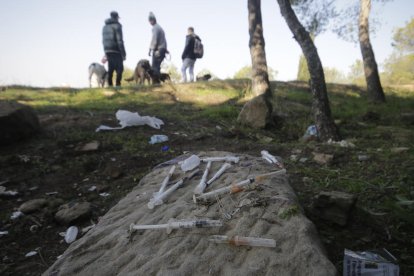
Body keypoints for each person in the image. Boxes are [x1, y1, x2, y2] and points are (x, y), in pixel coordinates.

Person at [102, 11, 126, 87]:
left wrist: (105, 52)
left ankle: (110, 85)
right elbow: (120, 40)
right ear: (116, 17)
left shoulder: (104, 27)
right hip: (116, 50)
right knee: (120, 69)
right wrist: (123, 53)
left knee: (110, 68)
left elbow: (103, 40)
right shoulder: (117, 26)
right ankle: (118, 85)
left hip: (107, 50)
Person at [148, 12, 167, 84]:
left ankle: (156, 83)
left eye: (150, 21)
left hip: (158, 50)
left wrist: (150, 49)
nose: (150, 23)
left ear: (151, 20)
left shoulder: (155, 28)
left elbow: (154, 39)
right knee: (157, 67)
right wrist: (165, 49)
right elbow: (163, 40)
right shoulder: (160, 28)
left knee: (154, 67)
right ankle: (158, 82)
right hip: (162, 49)